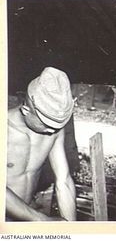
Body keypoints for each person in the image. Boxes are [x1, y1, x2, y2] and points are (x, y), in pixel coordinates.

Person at [6, 67, 77, 221]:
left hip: (28, 212)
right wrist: (41, 220)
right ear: (26, 110)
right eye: (47, 124)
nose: (53, 131)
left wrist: (71, 228)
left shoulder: (54, 129)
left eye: (57, 125)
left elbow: (63, 180)